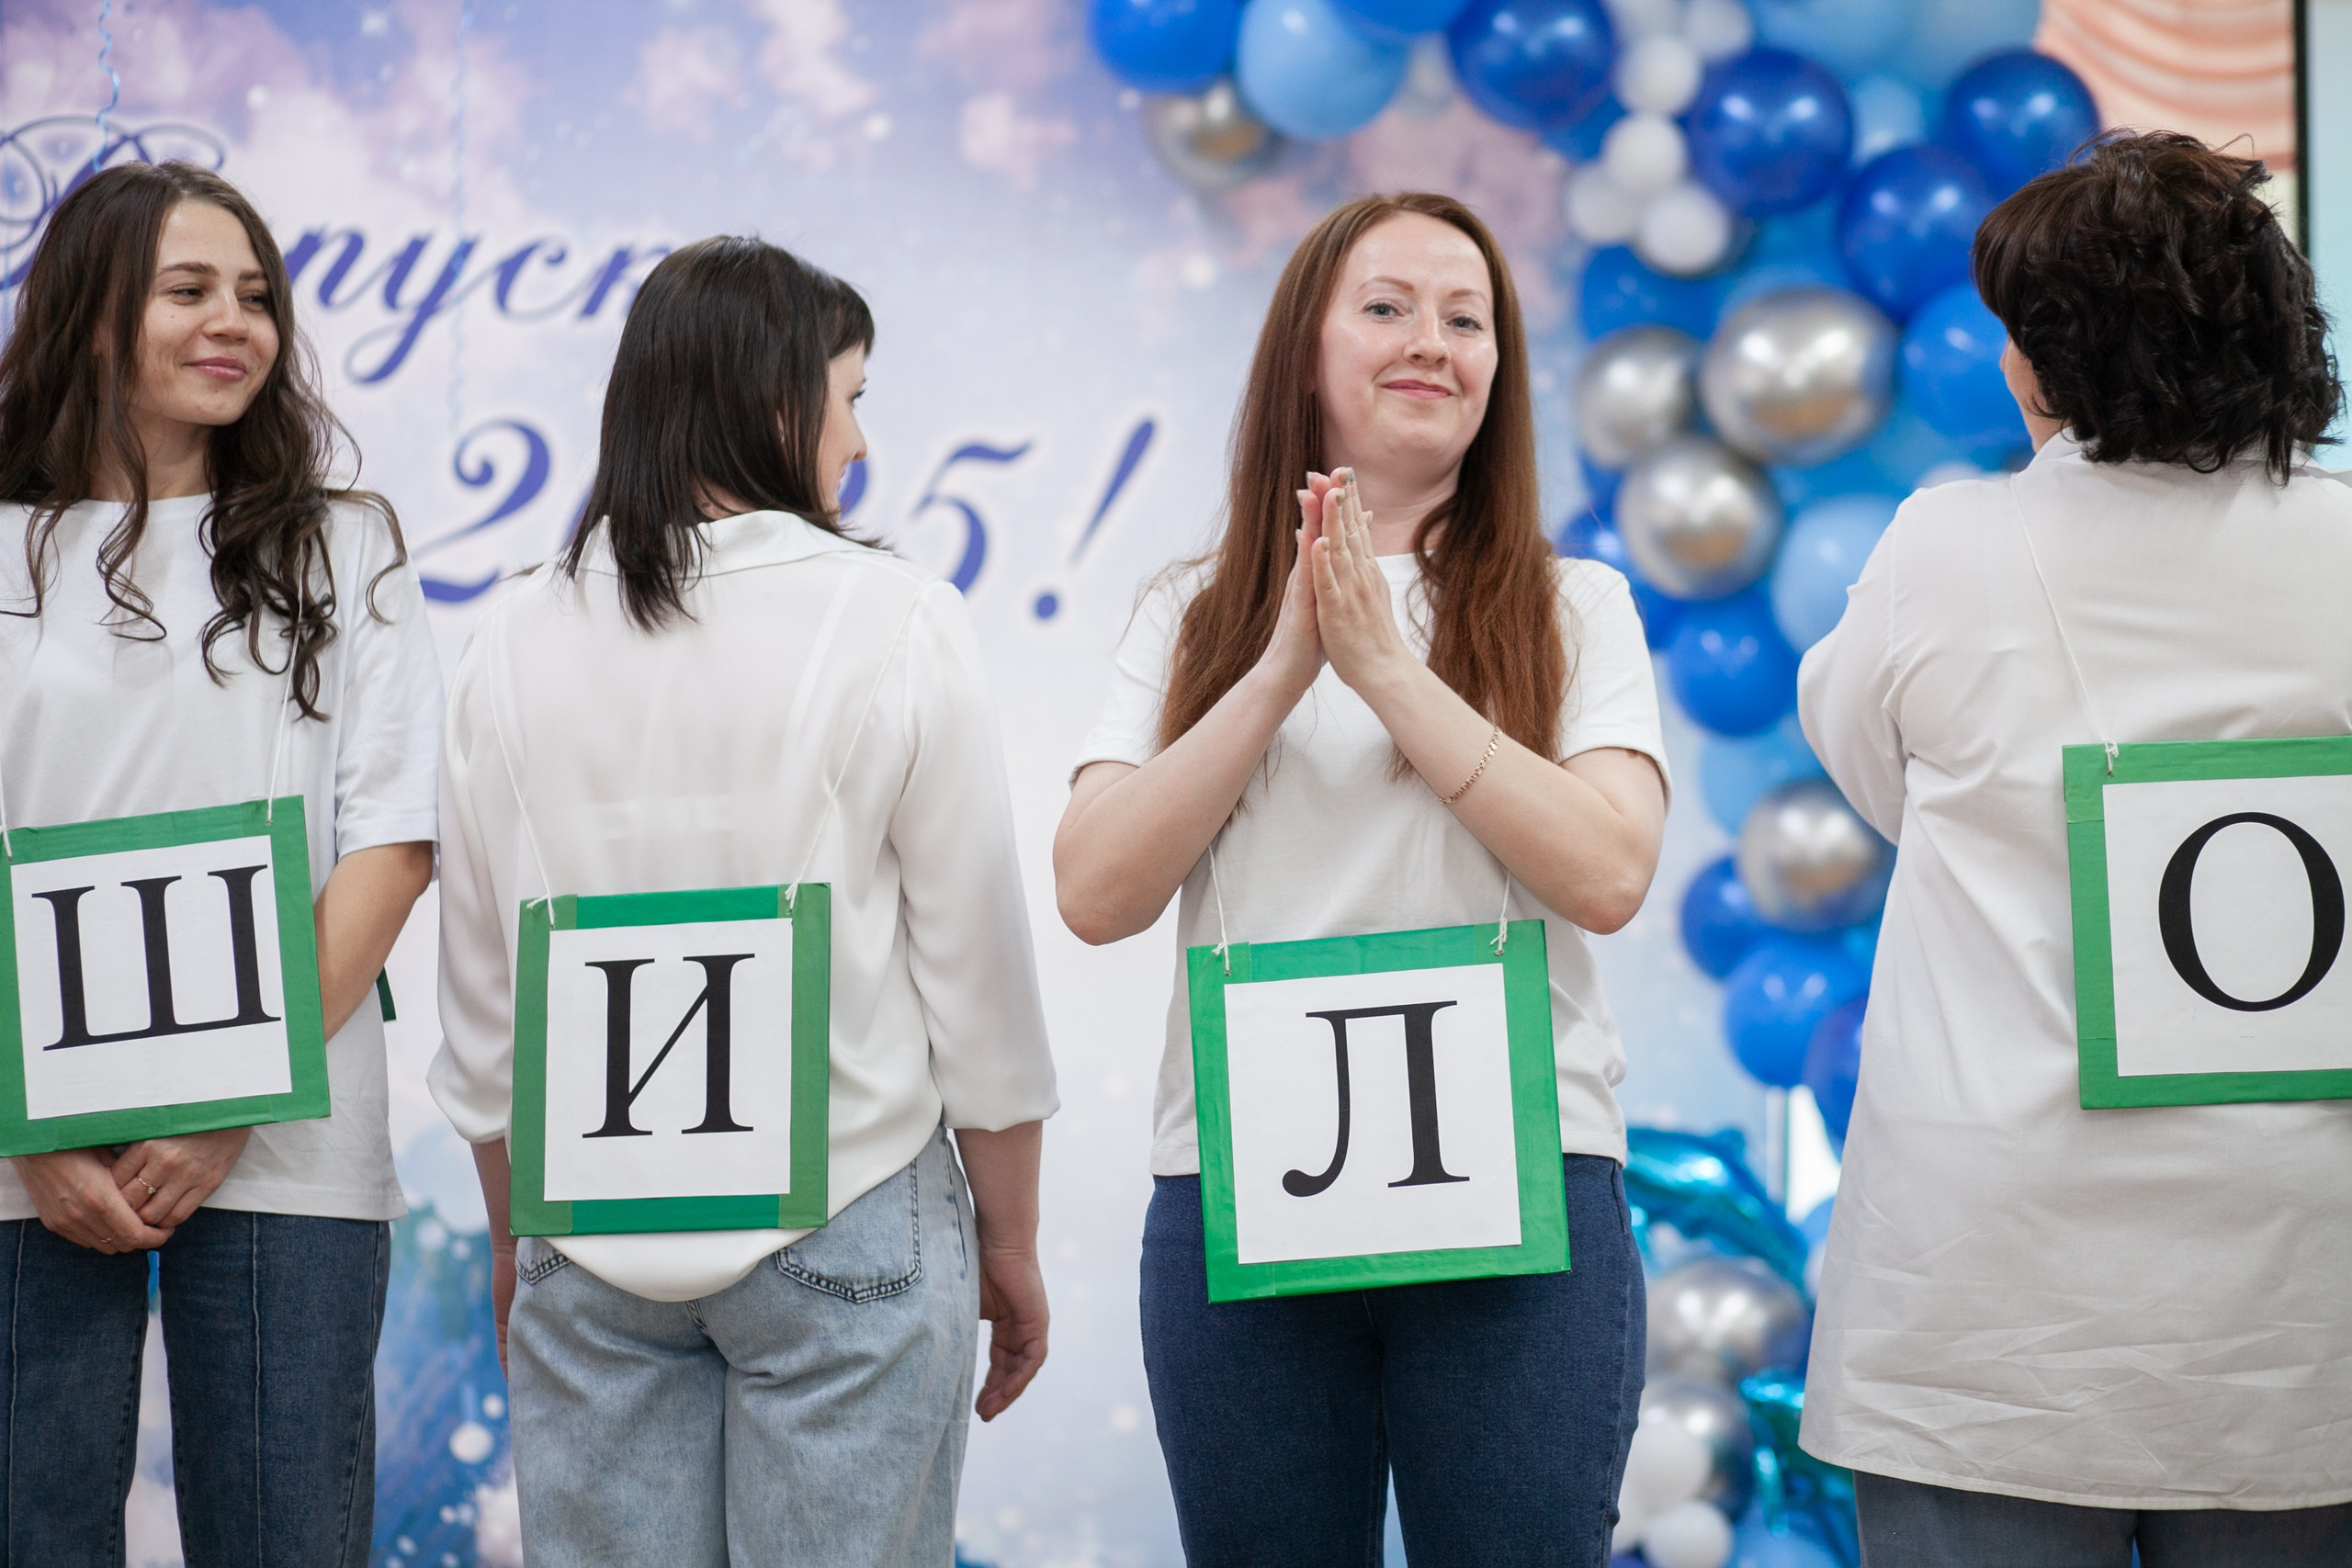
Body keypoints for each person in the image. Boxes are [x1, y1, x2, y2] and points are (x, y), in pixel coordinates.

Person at [1055, 192, 1671, 1566]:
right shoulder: (1190, 608)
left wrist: (1389, 670)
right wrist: (1281, 665)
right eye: (1387, 307)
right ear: (1307, 350)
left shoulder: (1579, 607)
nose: (1432, 344)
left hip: (1526, 1196)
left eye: (1468, 320)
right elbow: (1096, 889)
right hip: (1240, 1195)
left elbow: (1610, 870)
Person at [432, 236, 1058, 1567]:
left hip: (583, 1230)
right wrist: (1013, 1242)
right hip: (850, 1210)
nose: (861, 444)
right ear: (779, 403)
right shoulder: (895, 617)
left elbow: (486, 1005)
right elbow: (980, 982)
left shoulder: (505, 635)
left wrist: (511, 1236)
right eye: (854, 397)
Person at [1797, 132, 2352, 1565]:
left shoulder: (1945, 548)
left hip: (1991, 1320)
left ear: (2062, 360)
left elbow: (1877, 780)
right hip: (2302, 1312)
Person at [0, 162, 441, 1564]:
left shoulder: (343, 546)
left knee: (286, 1533)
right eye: (188, 291)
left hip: (285, 1145)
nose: (232, 323)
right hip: (28, 1151)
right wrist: (31, 1125)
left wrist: (225, 1102)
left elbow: (390, 842)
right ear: (86, 318)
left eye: (255, 296)